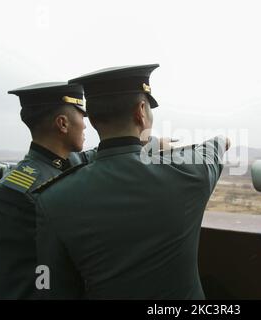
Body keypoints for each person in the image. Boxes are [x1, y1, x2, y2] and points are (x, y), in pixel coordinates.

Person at [33, 64, 230, 299]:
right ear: (141, 111)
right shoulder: (189, 173)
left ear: (93, 120)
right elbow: (217, 146)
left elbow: (49, 285)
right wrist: (220, 138)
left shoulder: (52, 198)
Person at [0, 82, 96, 299]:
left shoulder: (64, 162)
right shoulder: (14, 194)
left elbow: (93, 156)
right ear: (62, 124)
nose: (85, 125)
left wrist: (149, 142)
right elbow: (16, 284)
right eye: (82, 117)